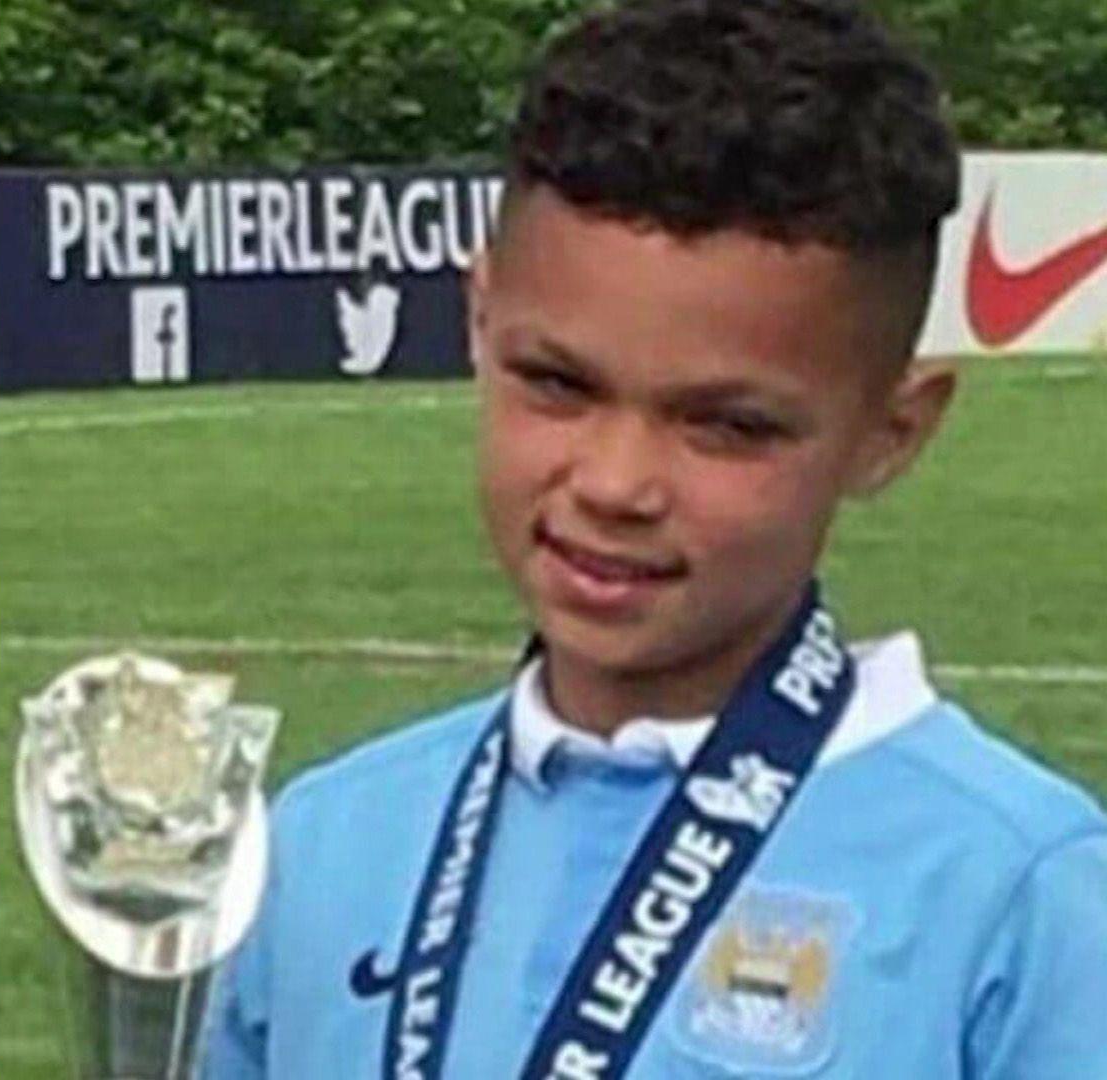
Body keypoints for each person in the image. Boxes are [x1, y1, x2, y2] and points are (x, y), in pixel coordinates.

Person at [202, 1, 1107, 1077]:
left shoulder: (1020, 892)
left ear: (890, 433)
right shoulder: (322, 842)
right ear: (481, 322)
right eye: (556, 384)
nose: (617, 484)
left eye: (727, 426)